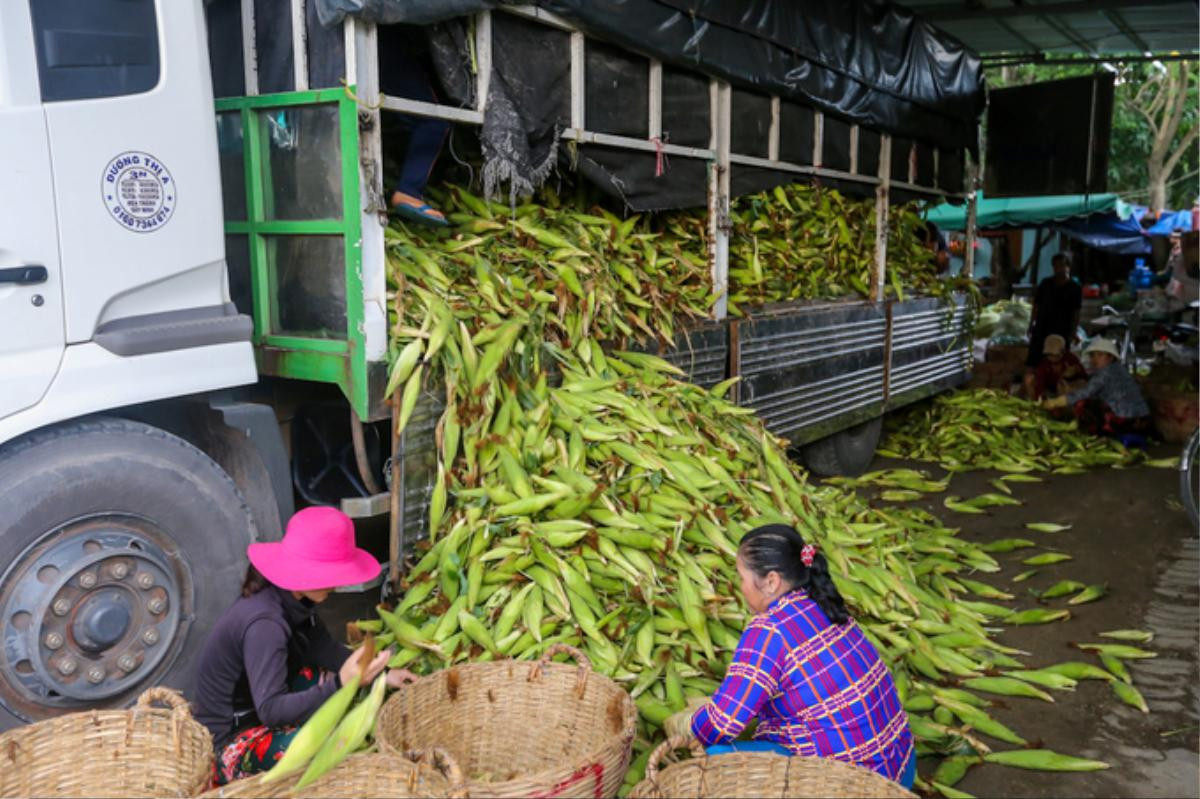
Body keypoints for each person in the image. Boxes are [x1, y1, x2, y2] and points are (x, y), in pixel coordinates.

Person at [667, 525, 915, 788]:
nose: (740, 587)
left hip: (853, 785)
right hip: (900, 769)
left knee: (715, 761)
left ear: (771, 581)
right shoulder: (824, 603)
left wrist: (687, 726)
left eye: (742, 577)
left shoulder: (769, 630)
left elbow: (723, 724)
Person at [194, 507, 415, 785]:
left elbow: (325, 649)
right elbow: (271, 711)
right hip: (229, 740)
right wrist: (340, 684)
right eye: (331, 574)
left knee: (320, 678)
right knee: (319, 745)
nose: (337, 585)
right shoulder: (266, 624)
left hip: (258, 705)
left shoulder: (293, 597)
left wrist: (384, 674)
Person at [1043, 338, 1151, 437]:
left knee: (1082, 404)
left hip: (1126, 421)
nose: (1095, 359)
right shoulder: (1119, 369)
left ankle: (1100, 433)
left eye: (1100, 355)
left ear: (1111, 357)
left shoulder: (1105, 373)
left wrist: (1055, 402)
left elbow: (1085, 393)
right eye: (1093, 355)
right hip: (1142, 418)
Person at [1026, 253, 1082, 370]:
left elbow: (1076, 312)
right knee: (1036, 357)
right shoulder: (1045, 284)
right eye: (1056, 266)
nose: (1059, 269)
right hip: (1042, 327)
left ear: (1068, 267)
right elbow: (1036, 305)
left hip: (1062, 329)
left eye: (1062, 265)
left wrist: (1074, 331)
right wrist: (1031, 324)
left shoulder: (1074, 288)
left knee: (1058, 358)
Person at [1022, 334, 1086, 401]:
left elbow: (1084, 376)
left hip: (1068, 390)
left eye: (1055, 355)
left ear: (1062, 352)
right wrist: (1039, 397)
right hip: (1051, 391)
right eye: (1049, 354)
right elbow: (1040, 381)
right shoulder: (1044, 363)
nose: (1052, 357)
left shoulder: (1070, 358)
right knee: (1029, 378)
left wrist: (1075, 370)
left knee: (1066, 385)